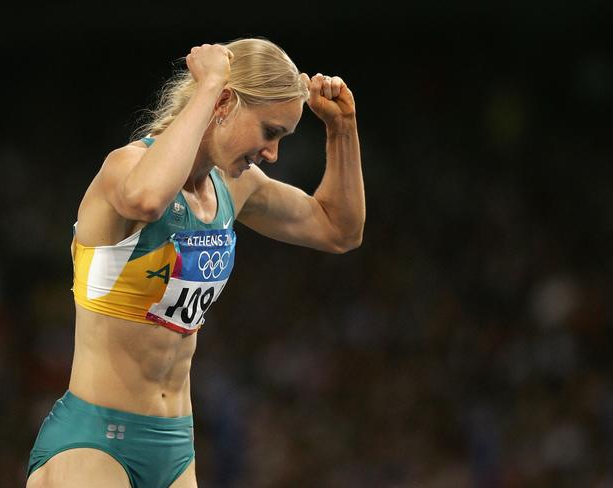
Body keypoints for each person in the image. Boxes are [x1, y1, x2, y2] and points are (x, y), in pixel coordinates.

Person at [26, 37, 365, 488]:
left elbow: (338, 229)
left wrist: (343, 130)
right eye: (270, 132)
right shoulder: (125, 167)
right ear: (225, 101)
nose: (272, 154)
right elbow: (147, 199)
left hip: (174, 449)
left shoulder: (232, 187)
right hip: (94, 444)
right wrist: (208, 86)